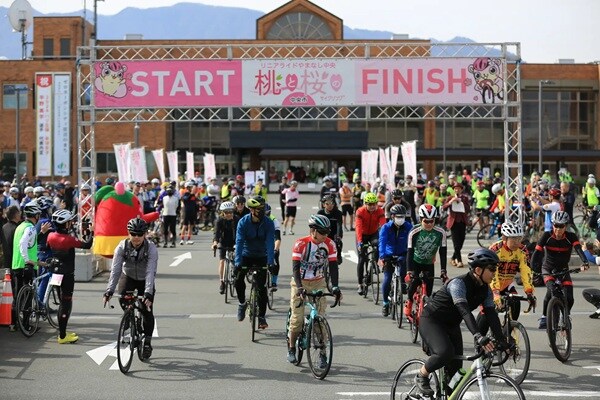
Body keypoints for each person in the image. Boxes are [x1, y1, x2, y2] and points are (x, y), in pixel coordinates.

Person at [414, 249, 506, 397]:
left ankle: (447, 394)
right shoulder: (458, 284)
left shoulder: (486, 290)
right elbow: (465, 312)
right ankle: (421, 375)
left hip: (452, 325)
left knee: (456, 374)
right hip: (432, 320)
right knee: (445, 353)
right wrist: (477, 335)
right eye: (491, 269)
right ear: (478, 270)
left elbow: (491, 315)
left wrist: (503, 341)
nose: (494, 273)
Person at [286, 215, 341, 364]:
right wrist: (299, 287)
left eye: (327, 232)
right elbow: (295, 268)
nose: (325, 235)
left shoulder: (330, 244)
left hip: (318, 282)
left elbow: (333, 266)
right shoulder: (301, 244)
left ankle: (322, 353)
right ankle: (291, 348)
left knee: (320, 321)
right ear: (313, 230)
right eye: (322, 232)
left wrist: (335, 287)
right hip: (300, 282)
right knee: (297, 320)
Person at [103, 217, 157, 358]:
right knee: (122, 297)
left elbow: (150, 271)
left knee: (147, 311)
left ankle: (147, 343)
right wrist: (109, 290)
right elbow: (115, 270)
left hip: (145, 279)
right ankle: (128, 317)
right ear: (128, 233)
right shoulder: (122, 247)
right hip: (128, 276)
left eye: (140, 234)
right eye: (133, 234)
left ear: (145, 234)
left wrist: (148, 292)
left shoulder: (151, 248)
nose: (136, 237)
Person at [531, 211, 589, 329]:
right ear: (552, 225)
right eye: (556, 225)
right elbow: (536, 253)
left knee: (570, 298)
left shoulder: (571, 236)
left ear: (565, 226)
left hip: (563, 270)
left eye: (561, 226)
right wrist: (532, 269)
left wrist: (585, 262)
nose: (558, 229)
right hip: (548, 268)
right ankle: (544, 317)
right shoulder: (546, 236)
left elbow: (578, 249)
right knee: (551, 291)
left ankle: (565, 316)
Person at [476, 221, 535, 334]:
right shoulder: (495, 249)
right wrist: (496, 293)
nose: (517, 242)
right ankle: (480, 340)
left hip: (507, 283)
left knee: (516, 303)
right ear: (504, 238)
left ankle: (507, 333)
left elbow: (526, 271)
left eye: (519, 239)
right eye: (513, 239)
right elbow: (492, 273)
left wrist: (529, 292)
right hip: (489, 283)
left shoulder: (522, 250)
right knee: (488, 311)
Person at [47, 209, 94, 344]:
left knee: (61, 302)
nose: (71, 224)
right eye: (69, 222)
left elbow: (47, 246)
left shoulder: (51, 236)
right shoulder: (68, 239)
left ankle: (62, 332)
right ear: (65, 224)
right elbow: (87, 245)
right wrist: (91, 232)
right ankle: (62, 336)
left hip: (55, 271)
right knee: (65, 303)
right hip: (67, 274)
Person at [234, 196, 275, 329]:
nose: (261, 211)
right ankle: (242, 304)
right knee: (238, 279)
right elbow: (239, 242)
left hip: (261, 256)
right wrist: (237, 262)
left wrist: (270, 262)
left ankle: (262, 316)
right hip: (246, 255)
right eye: (258, 209)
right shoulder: (243, 222)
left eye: (262, 208)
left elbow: (270, 242)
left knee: (262, 288)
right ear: (251, 210)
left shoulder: (268, 223)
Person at [11, 202, 51, 332]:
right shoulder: (30, 228)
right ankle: (26, 325)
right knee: (28, 296)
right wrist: (28, 260)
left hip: (16, 265)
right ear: (36, 215)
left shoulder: (20, 226)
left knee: (18, 296)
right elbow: (23, 243)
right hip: (26, 266)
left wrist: (41, 233)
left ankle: (14, 324)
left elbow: (30, 244)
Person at [405, 204, 448, 316]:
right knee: (413, 285)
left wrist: (443, 271)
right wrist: (409, 271)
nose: (429, 224)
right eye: (426, 221)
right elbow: (409, 252)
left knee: (428, 293)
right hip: (415, 262)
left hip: (429, 263)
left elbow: (443, 252)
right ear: (420, 219)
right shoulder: (414, 231)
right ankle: (409, 302)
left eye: (431, 221)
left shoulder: (441, 232)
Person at [378, 204, 413, 317]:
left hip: (402, 254)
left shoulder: (408, 227)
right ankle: (385, 303)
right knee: (387, 278)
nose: (400, 219)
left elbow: (413, 242)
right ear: (392, 216)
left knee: (404, 273)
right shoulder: (386, 227)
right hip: (389, 255)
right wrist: (382, 257)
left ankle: (402, 288)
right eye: (398, 216)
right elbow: (382, 243)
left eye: (402, 216)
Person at [355, 192, 385, 295]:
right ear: (365, 204)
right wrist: (360, 242)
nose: (372, 206)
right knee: (362, 259)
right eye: (370, 204)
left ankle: (374, 265)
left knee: (377, 246)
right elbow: (358, 227)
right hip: (362, 235)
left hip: (373, 233)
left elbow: (383, 226)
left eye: (374, 204)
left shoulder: (379, 211)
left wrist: (384, 240)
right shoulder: (360, 211)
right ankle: (360, 284)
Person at [443, 182, 471, 268]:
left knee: (461, 242)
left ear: (461, 190)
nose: (457, 190)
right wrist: (450, 202)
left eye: (458, 188)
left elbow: (468, 209)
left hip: (462, 222)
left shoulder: (465, 198)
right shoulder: (450, 197)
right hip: (453, 222)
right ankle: (459, 261)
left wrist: (461, 202)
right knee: (456, 243)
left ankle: (452, 258)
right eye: (455, 188)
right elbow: (444, 207)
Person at [212, 201, 236, 294]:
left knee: (236, 260)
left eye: (231, 212)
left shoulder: (237, 219)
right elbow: (216, 233)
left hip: (235, 242)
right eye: (226, 212)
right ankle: (222, 282)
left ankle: (235, 275)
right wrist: (215, 243)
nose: (229, 214)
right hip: (224, 242)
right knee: (222, 261)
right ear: (222, 213)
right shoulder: (219, 221)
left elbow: (240, 233)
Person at [317, 194, 344, 266]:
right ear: (323, 205)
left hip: (335, 231)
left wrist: (338, 236)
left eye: (332, 203)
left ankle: (338, 255)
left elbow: (339, 225)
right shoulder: (320, 213)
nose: (330, 205)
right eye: (327, 204)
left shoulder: (338, 213)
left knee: (338, 243)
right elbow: (317, 225)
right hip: (324, 232)